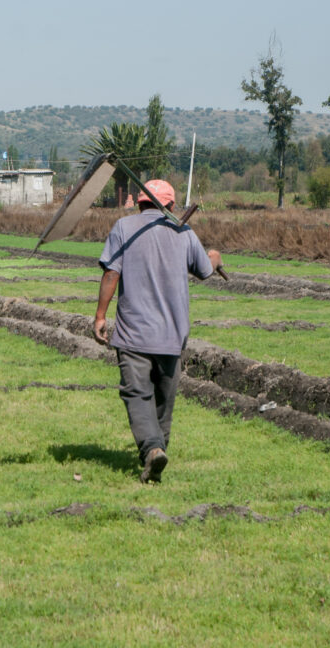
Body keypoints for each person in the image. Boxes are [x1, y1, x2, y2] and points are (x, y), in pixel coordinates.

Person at [92, 179, 222, 483]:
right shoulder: (183, 232)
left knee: (137, 394)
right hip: (172, 336)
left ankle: (153, 451)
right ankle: (156, 453)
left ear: (139, 203)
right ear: (172, 206)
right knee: (164, 399)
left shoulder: (124, 228)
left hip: (134, 333)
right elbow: (205, 269)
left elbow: (112, 272)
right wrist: (216, 256)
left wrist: (100, 316)